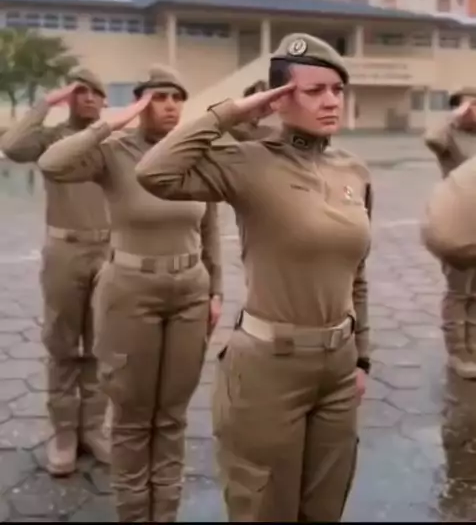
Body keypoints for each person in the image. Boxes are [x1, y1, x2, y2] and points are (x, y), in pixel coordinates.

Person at [135, 33, 372, 523]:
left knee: (325, 508)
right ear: (279, 98)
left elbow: (357, 273)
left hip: (338, 367)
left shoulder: (354, 171)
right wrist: (231, 113)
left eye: (337, 89)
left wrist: (362, 355)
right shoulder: (249, 162)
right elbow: (155, 173)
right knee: (264, 509)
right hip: (268, 368)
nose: (331, 101)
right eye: (314, 90)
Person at [38, 64, 223, 523]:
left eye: (177, 98)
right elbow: (52, 163)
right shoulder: (114, 152)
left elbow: (210, 228)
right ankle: (134, 514)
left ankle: (166, 513)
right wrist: (111, 122)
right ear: (141, 103)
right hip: (130, 292)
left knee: (173, 415)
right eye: (159, 98)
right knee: (133, 415)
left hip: (189, 292)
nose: (170, 106)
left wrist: (216, 289)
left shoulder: (194, 154)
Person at [0, 69, 111, 476]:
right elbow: (12, 146)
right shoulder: (51, 139)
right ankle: (64, 433)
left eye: (96, 92)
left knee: (100, 345)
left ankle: (93, 428)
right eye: (80, 91)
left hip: (109, 251)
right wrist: (47, 102)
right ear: (69, 97)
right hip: (65, 250)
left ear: (105, 100)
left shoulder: (112, 140)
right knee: (63, 345)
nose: (89, 98)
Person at [424, 87, 476, 378]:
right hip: (457, 219)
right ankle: (458, 352)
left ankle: (474, 347)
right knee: (459, 290)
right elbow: (431, 139)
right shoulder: (450, 136)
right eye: (471, 105)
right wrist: (453, 117)